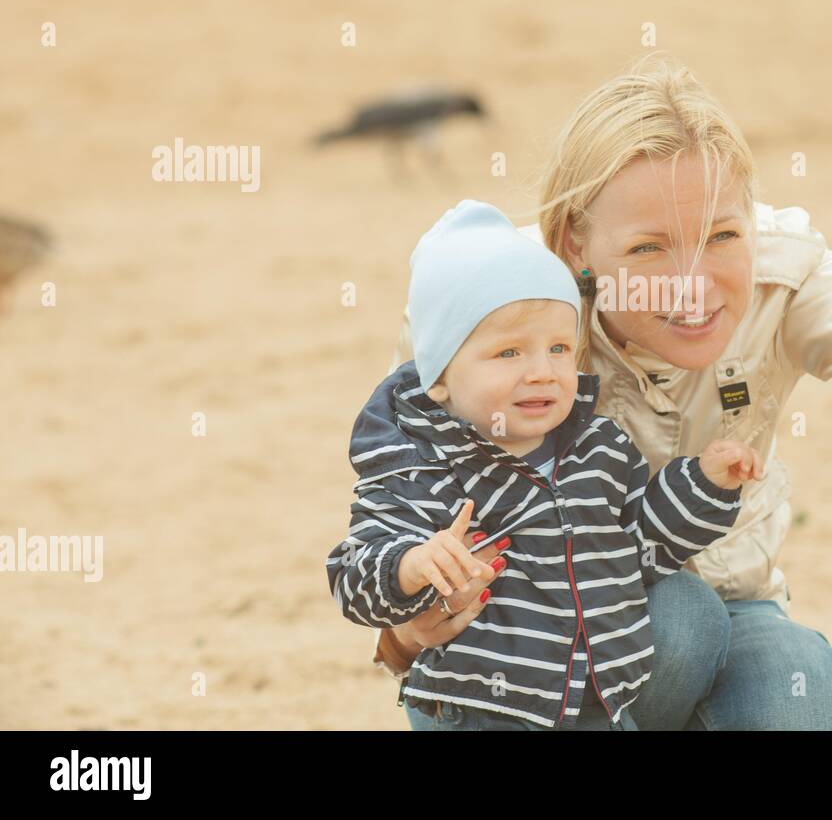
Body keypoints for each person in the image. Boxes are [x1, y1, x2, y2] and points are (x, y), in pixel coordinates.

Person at [369, 53, 832, 730]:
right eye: (649, 248)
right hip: (525, 635)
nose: (693, 284)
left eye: (721, 235)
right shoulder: (490, 305)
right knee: (677, 623)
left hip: (732, 602)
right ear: (573, 246)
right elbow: (402, 490)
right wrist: (403, 631)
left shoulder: (786, 274)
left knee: (799, 686)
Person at [327, 199, 763, 730]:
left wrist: (704, 486)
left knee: (692, 610)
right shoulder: (420, 466)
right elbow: (352, 576)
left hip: (596, 699)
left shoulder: (596, 448)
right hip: (485, 708)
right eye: (509, 353)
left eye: (559, 348)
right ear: (438, 378)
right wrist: (410, 565)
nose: (542, 372)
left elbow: (636, 546)